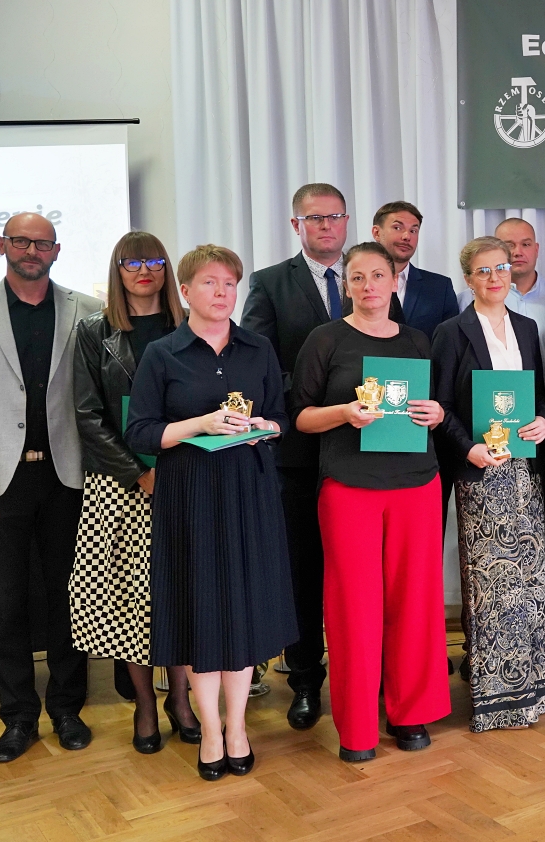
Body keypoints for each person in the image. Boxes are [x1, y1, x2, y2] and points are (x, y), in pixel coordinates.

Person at [0, 211, 101, 763]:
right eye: (21, 241)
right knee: (3, 605)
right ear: (2, 244)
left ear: (57, 251)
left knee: (70, 600)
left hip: (69, 476)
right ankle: (18, 718)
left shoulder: (87, 309)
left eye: (42, 243)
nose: (32, 250)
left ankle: (68, 709)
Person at [126, 245, 295, 780]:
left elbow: (279, 418)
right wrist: (200, 423)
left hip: (249, 491)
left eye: (229, 284)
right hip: (190, 496)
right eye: (209, 283)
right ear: (185, 292)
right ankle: (211, 733)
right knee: (202, 614)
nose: (221, 293)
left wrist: (265, 428)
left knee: (241, 612)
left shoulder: (258, 347)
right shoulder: (162, 353)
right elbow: (140, 432)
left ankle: (239, 727)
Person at [294, 242, 451, 759]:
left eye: (377, 275)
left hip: (416, 486)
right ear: (346, 286)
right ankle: (358, 729)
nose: (368, 286)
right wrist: (344, 413)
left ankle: (411, 715)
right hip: (349, 490)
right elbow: (301, 418)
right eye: (357, 277)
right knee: (353, 611)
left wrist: (434, 414)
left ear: (392, 282)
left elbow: (435, 409)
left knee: (416, 606)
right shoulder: (325, 339)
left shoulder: (417, 340)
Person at [70, 231, 200, 751]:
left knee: (184, 592)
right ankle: (145, 706)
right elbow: (87, 414)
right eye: (132, 262)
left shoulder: (190, 327)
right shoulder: (92, 332)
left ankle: (181, 699)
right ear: (117, 271)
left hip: (185, 477)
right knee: (129, 602)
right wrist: (135, 471)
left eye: (154, 260)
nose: (143, 270)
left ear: (168, 270)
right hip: (121, 484)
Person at [432, 237, 545, 730]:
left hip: (525, 473)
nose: (495, 277)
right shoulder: (451, 332)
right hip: (479, 474)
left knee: (527, 583)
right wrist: (468, 448)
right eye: (483, 271)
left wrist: (543, 423)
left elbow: (540, 398)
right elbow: (440, 408)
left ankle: (534, 685)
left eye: (501, 268)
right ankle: (494, 695)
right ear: (468, 280)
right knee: (489, 586)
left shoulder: (526, 328)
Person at [241, 182, 350, 731]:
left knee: (356, 575)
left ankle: (363, 681)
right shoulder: (268, 284)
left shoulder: (369, 277)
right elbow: (257, 365)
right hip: (299, 454)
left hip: (364, 453)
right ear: (296, 226)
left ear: (347, 221)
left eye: (334, 216)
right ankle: (305, 680)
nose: (326, 226)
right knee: (303, 571)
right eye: (315, 218)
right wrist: (321, 398)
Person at [458, 217, 545, 362]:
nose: (518, 252)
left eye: (526, 244)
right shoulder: (466, 299)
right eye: (509, 245)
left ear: (537, 249)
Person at [374, 200, 460, 336]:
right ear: (377, 233)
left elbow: (450, 342)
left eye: (413, 230)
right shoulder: (356, 283)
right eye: (397, 228)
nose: (407, 236)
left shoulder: (440, 287)